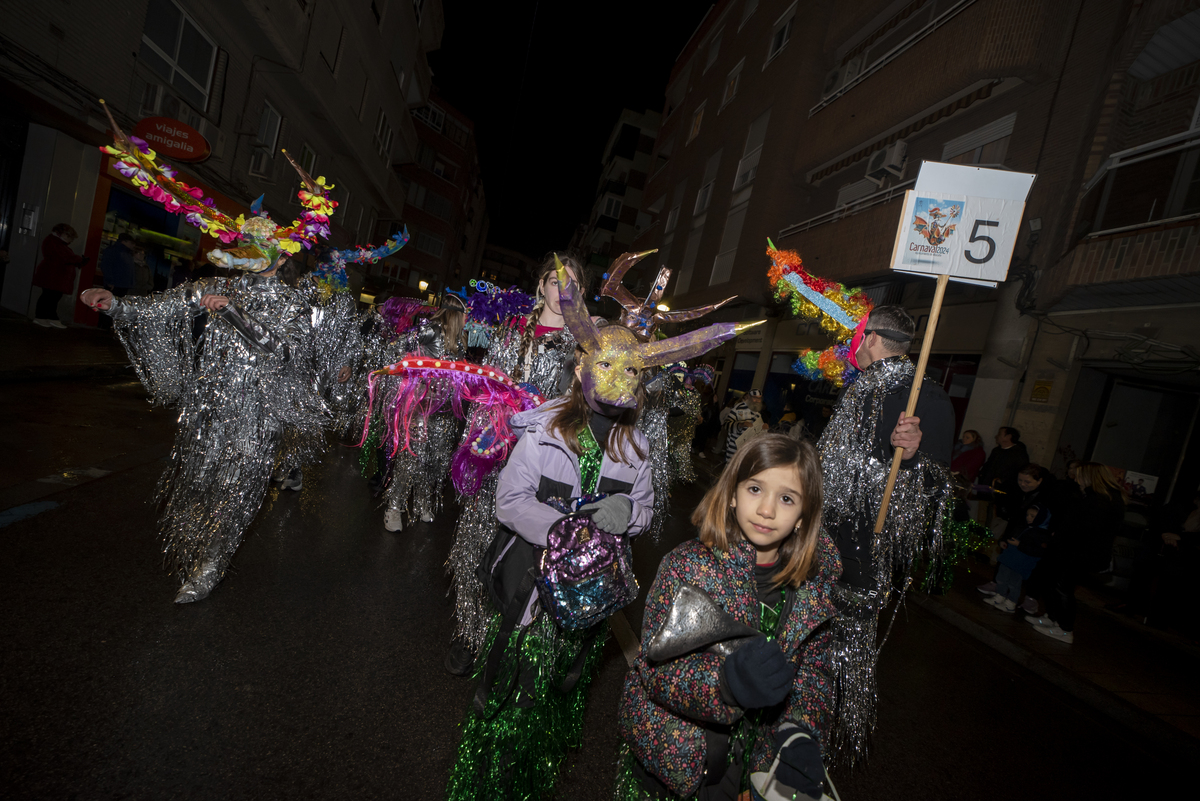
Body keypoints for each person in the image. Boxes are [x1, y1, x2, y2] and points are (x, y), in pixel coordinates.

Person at [615, 433, 838, 800]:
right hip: (680, 761)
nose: (767, 510)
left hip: (754, 765)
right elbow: (655, 668)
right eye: (755, 489)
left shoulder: (812, 587)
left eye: (786, 498)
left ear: (803, 516)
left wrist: (800, 730)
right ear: (733, 494)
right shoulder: (690, 566)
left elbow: (814, 672)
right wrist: (724, 686)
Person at [815, 304, 954, 762]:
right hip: (826, 534)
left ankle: (828, 733)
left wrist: (912, 457)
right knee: (809, 629)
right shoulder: (861, 390)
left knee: (846, 640)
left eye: (854, 336)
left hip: (865, 544)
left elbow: (938, 489)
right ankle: (796, 717)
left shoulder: (923, 396)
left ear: (870, 338)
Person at [444, 253, 586, 674]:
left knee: (525, 560)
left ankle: (506, 639)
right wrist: (492, 426)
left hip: (544, 471)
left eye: (574, 284)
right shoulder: (511, 334)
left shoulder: (584, 347)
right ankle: (469, 633)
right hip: (497, 453)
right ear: (541, 285)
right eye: (558, 281)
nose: (565, 292)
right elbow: (483, 389)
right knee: (474, 546)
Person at [380, 293, 467, 531]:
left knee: (436, 461)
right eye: (465, 313)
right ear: (455, 314)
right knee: (411, 459)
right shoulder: (431, 330)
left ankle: (421, 503)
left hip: (445, 411)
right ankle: (394, 508)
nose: (467, 319)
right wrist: (416, 377)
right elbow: (398, 349)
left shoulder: (459, 341)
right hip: (421, 408)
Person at [1028, 462, 1127, 644]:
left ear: (1090, 477)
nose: (1076, 479)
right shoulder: (1099, 497)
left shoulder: (1100, 499)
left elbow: (1085, 529)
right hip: (1075, 551)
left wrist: (1062, 539)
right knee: (1056, 584)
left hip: (1079, 553)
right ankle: (1055, 620)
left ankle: (1065, 629)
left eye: (1080, 475)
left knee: (1063, 588)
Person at [986, 505, 1052, 613]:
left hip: (1020, 564)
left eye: (1033, 516)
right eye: (1028, 515)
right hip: (1009, 559)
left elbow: (1037, 552)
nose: (1028, 518)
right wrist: (1004, 542)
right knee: (1001, 578)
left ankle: (1011, 603)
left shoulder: (1041, 534)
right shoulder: (1023, 527)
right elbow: (1011, 536)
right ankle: (999, 596)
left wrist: (1019, 544)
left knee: (1014, 584)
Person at [32, 223, 87, 328]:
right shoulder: (54, 242)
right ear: (62, 234)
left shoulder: (56, 242)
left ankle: (48, 317)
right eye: (69, 237)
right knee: (49, 296)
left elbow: (64, 257)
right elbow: (63, 257)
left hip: (55, 275)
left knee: (52, 297)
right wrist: (78, 260)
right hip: (53, 275)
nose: (70, 240)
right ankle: (42, 317)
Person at [977, 426, 1030, 512]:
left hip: (1003, 492)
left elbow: (1019, 472)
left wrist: (1003, 480)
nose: (996, 436)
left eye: (999, 434)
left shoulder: (1018, 454)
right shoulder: (996, 451)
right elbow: (987, 466)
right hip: (986, 488)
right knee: (981, 513)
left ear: (1008, 436)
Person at [723, 389, 764, 462]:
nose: (757, 400)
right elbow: (727, 424)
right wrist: (740, 425)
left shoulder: (757, 413)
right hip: (734, 447)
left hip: (746, 449)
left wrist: (763, 428)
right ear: (750, 397)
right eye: (755, 398)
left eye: (759, 398)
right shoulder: (739, 407)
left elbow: (758, 431)